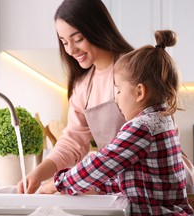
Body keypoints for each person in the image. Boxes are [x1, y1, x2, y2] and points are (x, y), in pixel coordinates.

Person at [52, 30, 194, 216]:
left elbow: (103, 162)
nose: (115, 97)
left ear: (139, 91)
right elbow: (136, 180)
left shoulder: (141, 127)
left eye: (118, 89)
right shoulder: (159, 119)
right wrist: (97, 188)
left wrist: (60, 181)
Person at [17, 0, 133, 194]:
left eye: (77, 39)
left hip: (163, 185)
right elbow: (72, 142)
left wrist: (63, 182)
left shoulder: (135, 68)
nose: (70, 50)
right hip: (126, 187)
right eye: (64, 42)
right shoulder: (83, 85)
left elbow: (135, 142)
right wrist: (38, 173)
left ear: (97, 28)